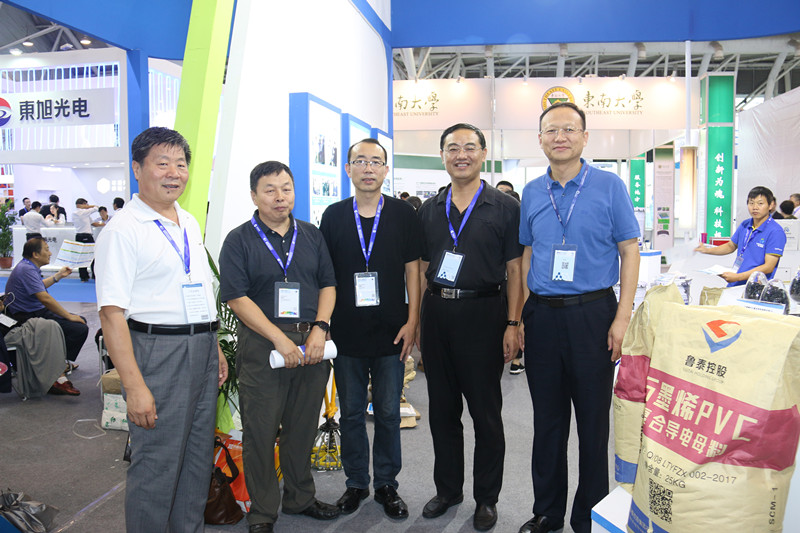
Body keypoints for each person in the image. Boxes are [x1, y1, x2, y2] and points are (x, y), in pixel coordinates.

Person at [95, 127, 228, 533]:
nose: (174, 173)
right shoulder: (123, 229)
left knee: (195, 458)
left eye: (181, 164)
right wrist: (134, 386)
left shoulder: (186, 220)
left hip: (201, 348)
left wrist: (213, 346)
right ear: (138, 169)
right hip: (158, 352)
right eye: (162, 163)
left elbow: (195, 289)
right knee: (157, 463)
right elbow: (111, 315)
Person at [517, 102, 640, 533]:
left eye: (569, 129)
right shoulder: (532, 192)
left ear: (585, 137)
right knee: (547, 423)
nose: (560, 137)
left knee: (592, 424)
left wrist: (622, 317)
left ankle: (589, 515)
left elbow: (629, 251)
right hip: (543, 317)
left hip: (593, 315)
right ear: (540, 140)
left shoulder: (609, 186)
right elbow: (528, 254)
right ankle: (547, 512)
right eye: (551, 130)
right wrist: (522, 316)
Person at [219, 161, 340, 533]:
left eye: (286, 188)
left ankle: (300, 498)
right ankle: (262, 512)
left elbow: (328, 284)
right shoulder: (239, 240)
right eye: (269, 189)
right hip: (263, 347)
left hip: (312, 345)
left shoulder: (311, 235)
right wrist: (278, 338)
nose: (279, 196)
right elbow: (236, 297)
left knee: (302, 428)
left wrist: (321, 328)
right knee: (261, 431)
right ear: (254, 195)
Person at [417, 123, 523, 531]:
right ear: (443, 155)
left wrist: (513, 323)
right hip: (437, 313)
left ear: (483, 153)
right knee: (442, 411)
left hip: (484, 314)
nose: (460, 155)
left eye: (469, 147)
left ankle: (487, 498)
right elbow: (423, 268)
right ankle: (448, 490)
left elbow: (516, 270)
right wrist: (419, 320)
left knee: (485, 413)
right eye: (452, 148)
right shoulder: (430, 208)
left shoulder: (504, 207)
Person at [319, 139, 421, 520]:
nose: (368, 168)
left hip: (392, 332)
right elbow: (325, 276)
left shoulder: (402, 214)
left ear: (385, 169)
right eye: (360, 161)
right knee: (350, 414)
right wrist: (324, 324)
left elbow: (413, 271)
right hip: (346, 333)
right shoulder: (333, 216)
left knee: (389, 413)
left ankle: (387, 485)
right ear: (348, 169)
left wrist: (413, 320)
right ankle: (356, 483)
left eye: (376, 161)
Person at [5, 237, 89, 372]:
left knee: (80, 322)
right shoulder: (26, 269)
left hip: (34, 312)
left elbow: (38, 286)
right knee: (79, 329)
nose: (50, 253)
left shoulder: (27, 266)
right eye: (47, 249)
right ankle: (55, 365)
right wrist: (69, 316)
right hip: (28, 316)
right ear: (35, 254)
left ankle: (56, 362)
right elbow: (45, 298)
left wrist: (58, 276)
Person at [694, 186, 786, 287]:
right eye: (751, 203)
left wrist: (738, 277)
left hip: (756, 287)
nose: (755, 207)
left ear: (771, 205)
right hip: (735, 283)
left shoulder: (775, 231)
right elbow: (730, 246)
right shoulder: (745, 224)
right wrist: (706, 250)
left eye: (760, 203)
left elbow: (769, 267)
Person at [495, 180, 525, 375]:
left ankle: (516, 357)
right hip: (500, 283)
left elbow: (518, 265)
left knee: (515, 315)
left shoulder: (514, 216)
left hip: (514, 280)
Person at [73, 198, 99, 282]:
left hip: (79, 236)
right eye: (86, 204)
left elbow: (93, 223)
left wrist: (103, 224)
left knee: (81, 257)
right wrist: (88, 206)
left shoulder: (83, 214)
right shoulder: (82, 212)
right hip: (86, 236)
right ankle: (93, 275)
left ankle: (84, 276)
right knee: (91, 256)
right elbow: (96, 208)